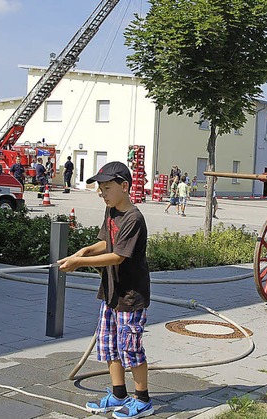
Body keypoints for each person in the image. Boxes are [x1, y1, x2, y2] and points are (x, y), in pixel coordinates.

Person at [57, 161, 153, 418]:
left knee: (130, 347)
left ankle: (143, 400)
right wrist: (86, 250)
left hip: (130, 295)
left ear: (125, 186)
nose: (102, 192)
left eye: (107, 187)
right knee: (110, 345)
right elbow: (106, 242)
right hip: (111, 291)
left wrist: (80, 262)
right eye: (100, 187)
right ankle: (118, 393)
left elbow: (117, 256)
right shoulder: (111, 211)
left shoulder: (134, 218)